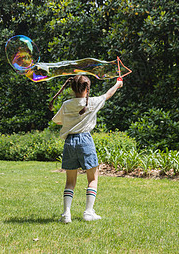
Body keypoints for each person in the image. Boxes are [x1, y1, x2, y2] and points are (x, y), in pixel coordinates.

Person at [49, 75, 123, 223]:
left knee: (70, 181)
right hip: (85, 141)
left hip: (70, 141)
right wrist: (117, 84)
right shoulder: (93, 102)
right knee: (93, 178)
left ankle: (66, 215)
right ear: (87, 89)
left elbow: (58, 121)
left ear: (72, 88)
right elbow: (107, 95)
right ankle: (88, 212)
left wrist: (71, 121)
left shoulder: (66, 104)